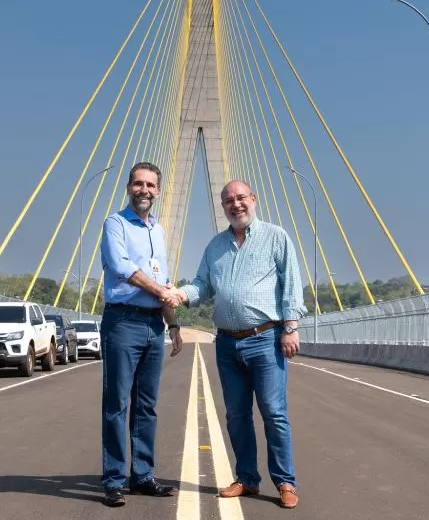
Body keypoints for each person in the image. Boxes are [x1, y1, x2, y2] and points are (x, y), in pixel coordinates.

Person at [172, 179, 307, 510]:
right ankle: (247, 478)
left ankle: (285, 481)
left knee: (273, 412)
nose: (236, 205)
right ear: (223, 207)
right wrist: (178, 294)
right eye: (229, 201)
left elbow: (291, 283)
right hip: (227, 343)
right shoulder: (215, 246)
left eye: (241, 198)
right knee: (236, 414)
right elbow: (202, 285)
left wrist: (291, 327)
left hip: (266, 339)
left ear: (254, 199)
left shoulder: (276, 237)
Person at [98, 161, 184, 508]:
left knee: (146, 406)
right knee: (117, 405)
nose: (144, 190)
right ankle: (114, 480)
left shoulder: (158, 231)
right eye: (138, 184)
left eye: (150, 185)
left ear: (158, 191)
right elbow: (122, 267)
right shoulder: (115, 224)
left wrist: (173, 324)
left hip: (153, 326)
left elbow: (162, 281)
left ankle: (143, 476)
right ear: (129, 187)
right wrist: (162, 292)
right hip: (122, 322)